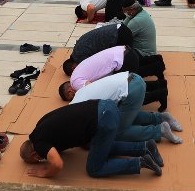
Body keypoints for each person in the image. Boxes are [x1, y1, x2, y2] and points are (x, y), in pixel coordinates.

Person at [19, 100, 163, 178]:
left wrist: (45, 172)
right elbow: (62, 131)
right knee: (99, 147)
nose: (41, 160)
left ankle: (140, 162)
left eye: (37, 160)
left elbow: (57, 164)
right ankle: (145, 146)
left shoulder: (40, 145)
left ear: (33, 153)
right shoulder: (39, 127)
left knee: (94, 169)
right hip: (104, 106)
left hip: (103, 121)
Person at [69, 72, 183, 144]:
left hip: (131, 90)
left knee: (117, 131)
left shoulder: (78, 109)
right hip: (132, 78)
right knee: (121, 116)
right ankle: (162, 117)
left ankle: (159, 130)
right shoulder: (79, 94)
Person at [65, 23, 134, 68]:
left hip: (119, 36)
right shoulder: (77, 49)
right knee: (131, 57)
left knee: (126, 64)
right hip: (119, 28)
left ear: (73, 67)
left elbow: (94, 67)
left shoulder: (79, 58)